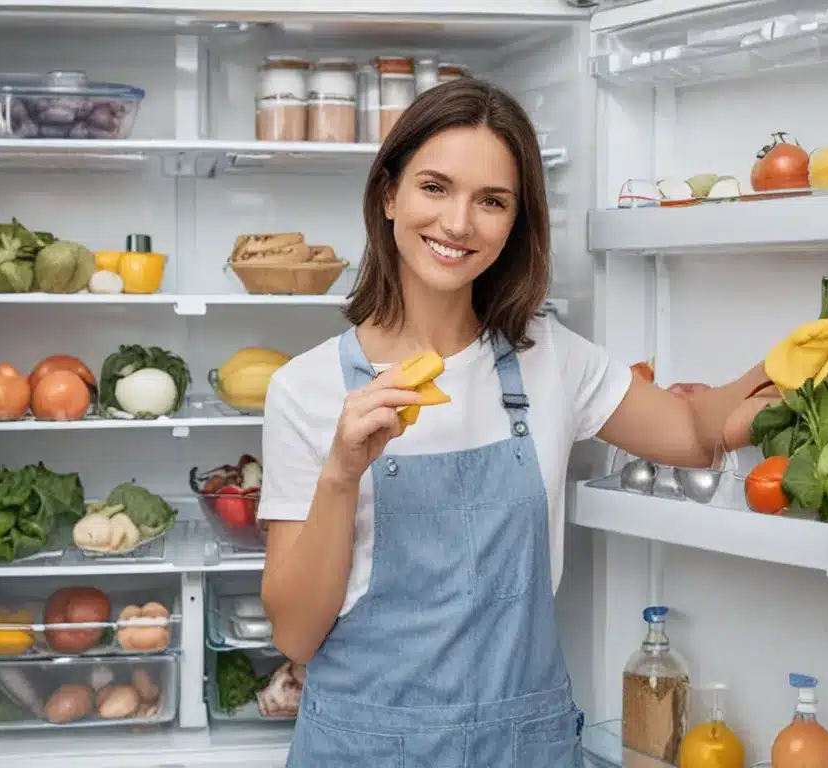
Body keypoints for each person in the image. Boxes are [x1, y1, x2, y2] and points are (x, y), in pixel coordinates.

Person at [257, 79, 769, 767]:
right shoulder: (305, 389)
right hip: (364, 747)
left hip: (523, 745)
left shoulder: (549, 358)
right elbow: (295, 634)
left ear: (516, 222)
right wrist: (342, 474)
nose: (459, 224)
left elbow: (693, 431)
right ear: (388, 194)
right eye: (435, 187)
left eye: (491, 201)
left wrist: (792, 372)